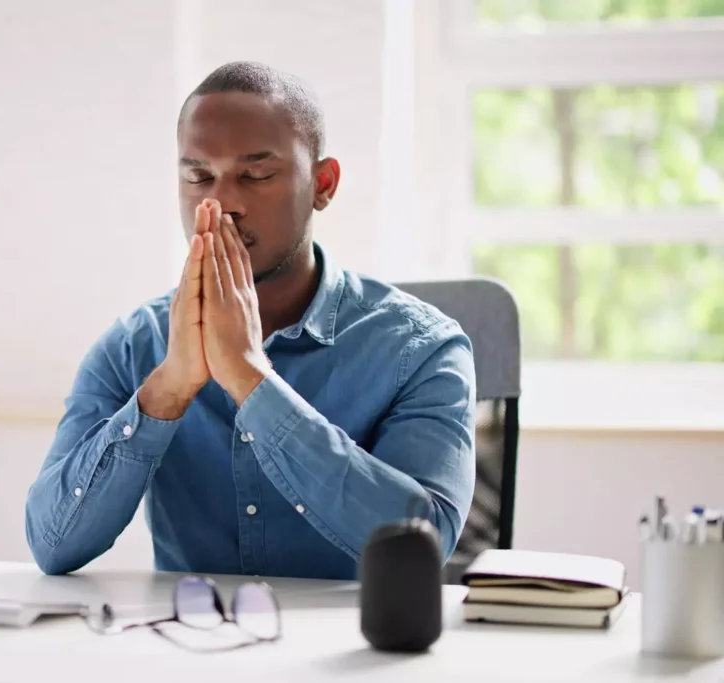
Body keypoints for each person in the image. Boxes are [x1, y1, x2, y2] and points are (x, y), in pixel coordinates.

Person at [25, 61, 476, 580]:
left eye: (256, 175)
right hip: (191, 645)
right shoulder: (132, 346)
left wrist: (249, 378)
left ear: (322, 184)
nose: (222, 203)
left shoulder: (423, 349)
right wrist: (167, 391)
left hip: (352, 651)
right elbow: (51, 545)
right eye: (198, 177)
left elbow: (422, 546)